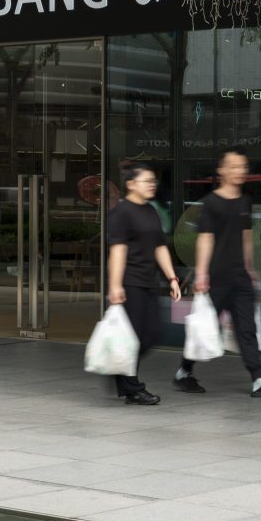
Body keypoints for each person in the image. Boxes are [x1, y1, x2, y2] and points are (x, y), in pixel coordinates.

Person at [177, 148, 261, 398]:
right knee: (204, 328)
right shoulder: (211, 203)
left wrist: (249, 268)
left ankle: (258, 379)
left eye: (243, 167)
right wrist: (203, 275)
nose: (240, 171)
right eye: (234, 166)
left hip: (239, 277)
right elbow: (205, 240)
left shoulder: (244, 201)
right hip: (216, 278)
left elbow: (246, 236)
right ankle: (184, 371)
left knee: (246, 328)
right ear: (222, 170)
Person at [106, 164, 181, 405]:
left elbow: (160, 246)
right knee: (135, 336)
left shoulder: (150, 210)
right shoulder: (121, 212)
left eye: (153, 181)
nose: (152, 184)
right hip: (130, 282)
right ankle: (132, 387)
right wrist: (115, 285)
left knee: (153, 333)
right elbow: (117, 251)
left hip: (149, 281)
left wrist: (172, 278)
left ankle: (118, 369)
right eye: (146, 180)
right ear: (131, 184)